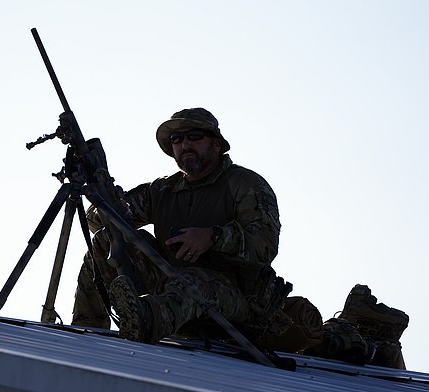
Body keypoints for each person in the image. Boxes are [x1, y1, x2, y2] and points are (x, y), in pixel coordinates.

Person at [71, 107, 291, 344]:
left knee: (193, 281)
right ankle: (86, 333)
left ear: (216, 144)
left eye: (194, 136)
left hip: (234, 297)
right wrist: (104, 196)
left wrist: (212, 237)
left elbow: (265, 246)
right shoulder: (163, 190)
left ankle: (145, 321)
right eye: (177, 139)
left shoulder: (245, 185)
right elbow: (97, 220)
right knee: (107, 239)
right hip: (170, 282)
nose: (184, 145)